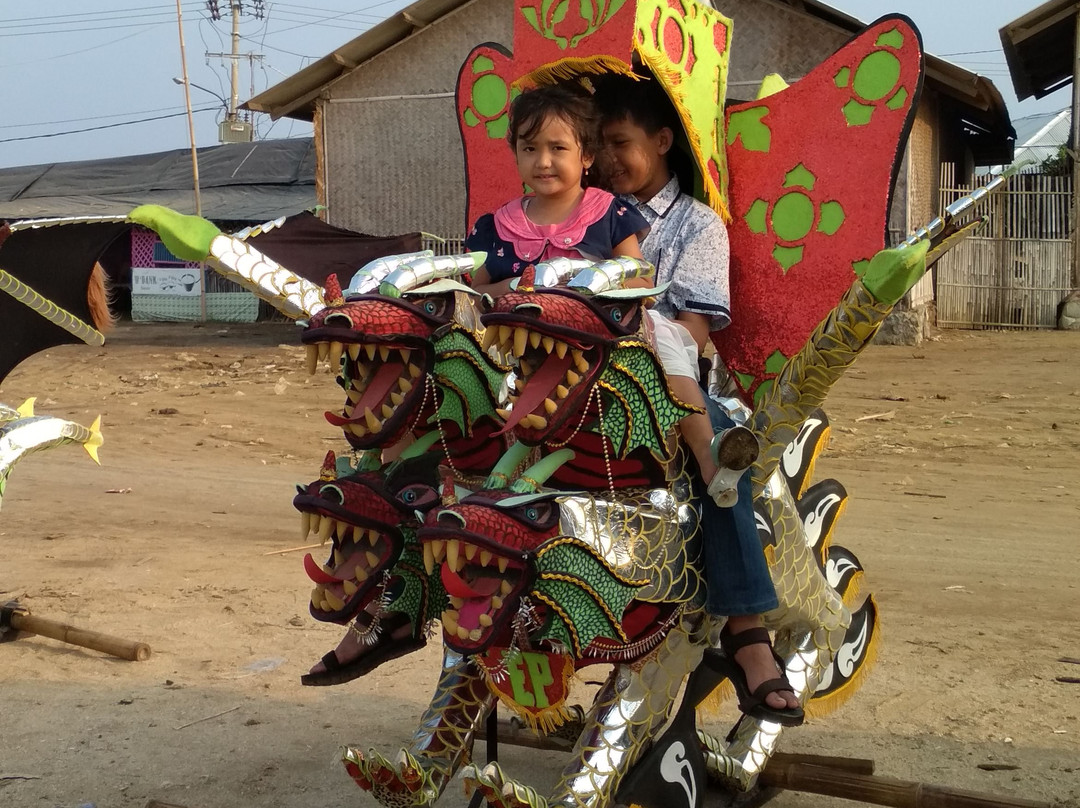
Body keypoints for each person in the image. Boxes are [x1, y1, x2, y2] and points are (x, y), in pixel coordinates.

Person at [596, 72, 804, 726]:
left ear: (662, 141)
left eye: (620, 142)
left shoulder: (698, 226)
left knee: (721, 467)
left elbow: (694, 331)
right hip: (579, 383)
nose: (607, 159)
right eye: (597, 145)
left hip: (670, 381)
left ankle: (747, 634)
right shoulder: (589, 214)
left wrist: (633, 345)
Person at [465, 83, 648, 295]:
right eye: (530, 148)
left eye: (557, 148)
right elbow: (476, 295)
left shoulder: (610, 216)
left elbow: (643, 284)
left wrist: (593, 284)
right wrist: (515, 287)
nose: (543, 162)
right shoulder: (501, 225)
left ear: (587, 155)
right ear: (515, 153)